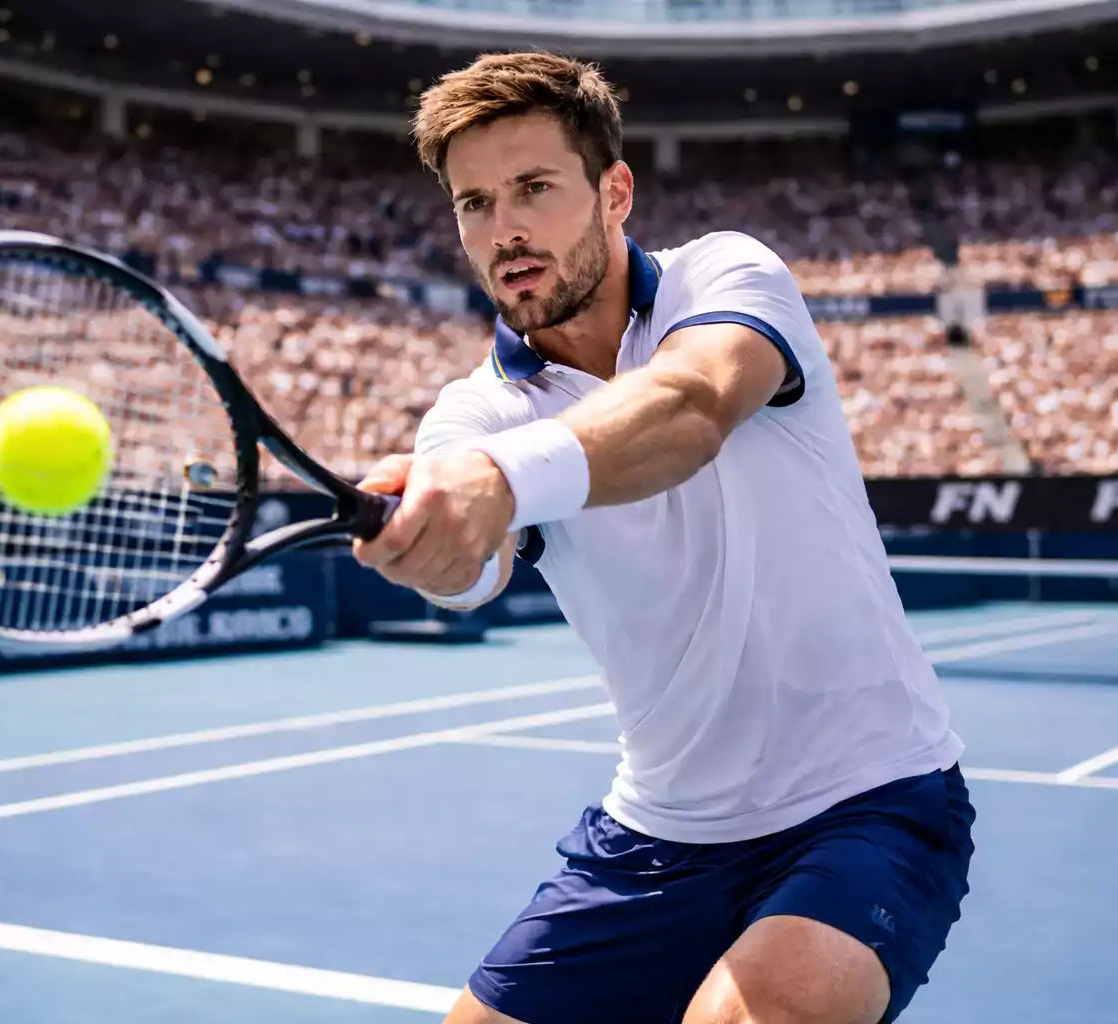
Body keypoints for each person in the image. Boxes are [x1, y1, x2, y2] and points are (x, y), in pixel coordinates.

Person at [352, 52, 975, 1024]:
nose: (504, 227)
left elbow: (689, 407)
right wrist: (437, 548)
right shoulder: (469, 415)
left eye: (534, 189)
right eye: (474, 203)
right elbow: (474, 565)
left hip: (871, 801)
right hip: (655, 835)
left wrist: (500, 482)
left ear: (615, 192)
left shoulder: (726, 272)